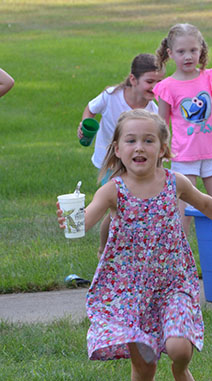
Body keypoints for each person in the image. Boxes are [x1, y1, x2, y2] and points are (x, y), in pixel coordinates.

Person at [57, 109, 212, 381]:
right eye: (131, 140)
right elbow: (86, 220)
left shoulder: (173, 182)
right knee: (145, 364)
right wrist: (70, 219)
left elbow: (206, 203)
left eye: (148, 140)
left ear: (163, 148)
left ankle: (180, 371)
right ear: (117, 149)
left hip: (173, 281)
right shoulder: (112, 190)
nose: (139, 147)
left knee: (178, 346)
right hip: (131, 291)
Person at [77, 53, 165, 256]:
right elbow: (90, 109)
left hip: (136, 163)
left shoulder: (153, 109)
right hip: (109, 161)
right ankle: (103, 250)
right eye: (150, 81)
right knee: (117, 208)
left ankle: (132, 251)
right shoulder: (111, 96)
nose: (156, 87)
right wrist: (85, 125)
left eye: (160, 82)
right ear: (133, 80)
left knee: (132, 209)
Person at [153, 23, 212, 235]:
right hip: (184, 157)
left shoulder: (208, 77)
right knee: (183, 212)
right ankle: (180, 260)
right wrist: (161, 153)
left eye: (193, 50)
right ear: (170, 53)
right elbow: (161, 124)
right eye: (181, 52)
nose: (188, 56)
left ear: (201, 50)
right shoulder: (167, 86)